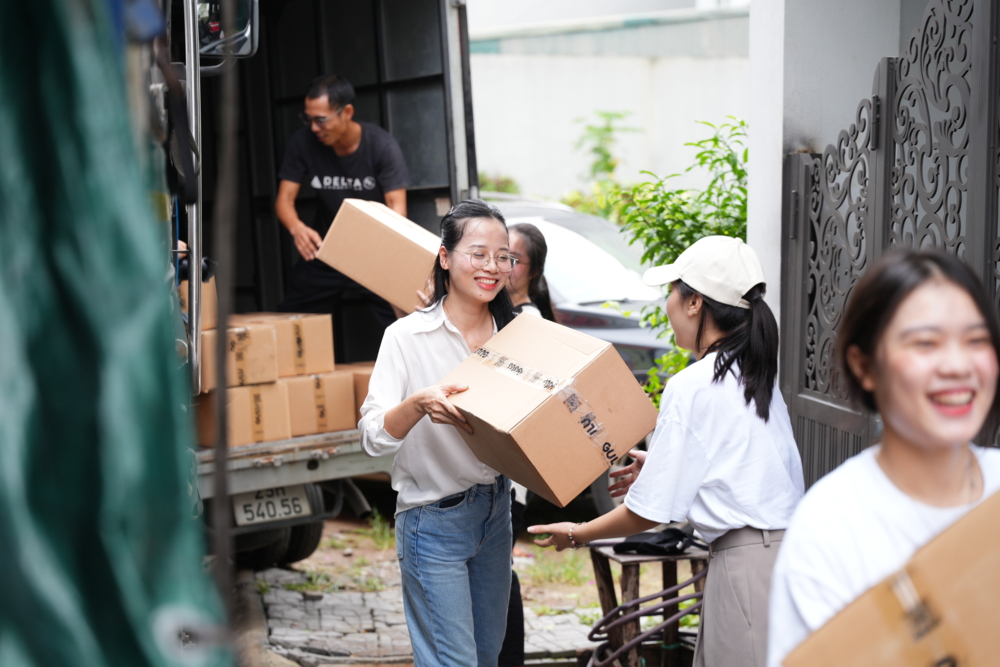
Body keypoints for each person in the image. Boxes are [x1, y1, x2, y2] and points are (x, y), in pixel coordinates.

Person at [529, 235, 804, 667]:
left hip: (747, 566)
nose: (668, 306)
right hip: (778, 558)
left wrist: (575, 533)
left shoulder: (693, 385)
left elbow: (647, 513)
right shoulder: (752, 375)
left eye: (672, 293)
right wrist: (665, 472)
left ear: (695, 303)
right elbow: (740, 474)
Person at [767, 249, 1000, 666]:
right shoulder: (828, 531)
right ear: (864, 365)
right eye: (925, 342)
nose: (957, 365)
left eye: (976, 340)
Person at [359, 200, 518, 667]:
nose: (492, 267)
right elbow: (371, 436)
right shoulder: (406, 337)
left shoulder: (519, 337)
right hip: (433, 521)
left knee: (485, 658)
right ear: (445, 257)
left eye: (503, 256)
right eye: (478, 253)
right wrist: (418, 404)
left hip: (496, 514)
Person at [275, 74, 410, 329]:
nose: (314, 128)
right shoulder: (303, 143)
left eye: (321, 120)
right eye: (308, 119)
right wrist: (297, 228)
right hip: (326, 250)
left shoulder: (381, 146)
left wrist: (383, 255)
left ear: (346, 112)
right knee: (291, 322)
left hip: (373, 253)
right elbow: (284, 200)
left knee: (401, 324)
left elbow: (397, 209)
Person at [507, 223, 556, 320]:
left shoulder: (528, 321)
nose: (500, 264)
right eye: (500, 255)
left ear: (534, 271)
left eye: (512, 258)